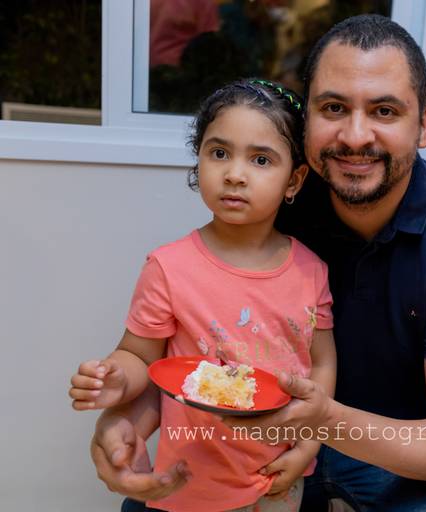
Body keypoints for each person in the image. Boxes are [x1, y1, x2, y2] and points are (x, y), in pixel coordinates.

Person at [88, 14, 426, 511]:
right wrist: (121, 424)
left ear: (424, 124)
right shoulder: (272, 199)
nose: (355, 136)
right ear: (307, 119)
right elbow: (186, 349)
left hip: (393, 446)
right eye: (334, 107)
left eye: (385, 111)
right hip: (255, 440)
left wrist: (319, 424)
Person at [69, 78, 337, 512]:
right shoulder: (168, 267)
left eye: (261, 159)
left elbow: (321, 363)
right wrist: (117, 377)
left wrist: (307, 445)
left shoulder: (312, 271)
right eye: (219, 153)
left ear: (294, 180)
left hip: (278, 480)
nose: (234, 173)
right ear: (199, 160)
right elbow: (140, 356)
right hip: (189, 483)